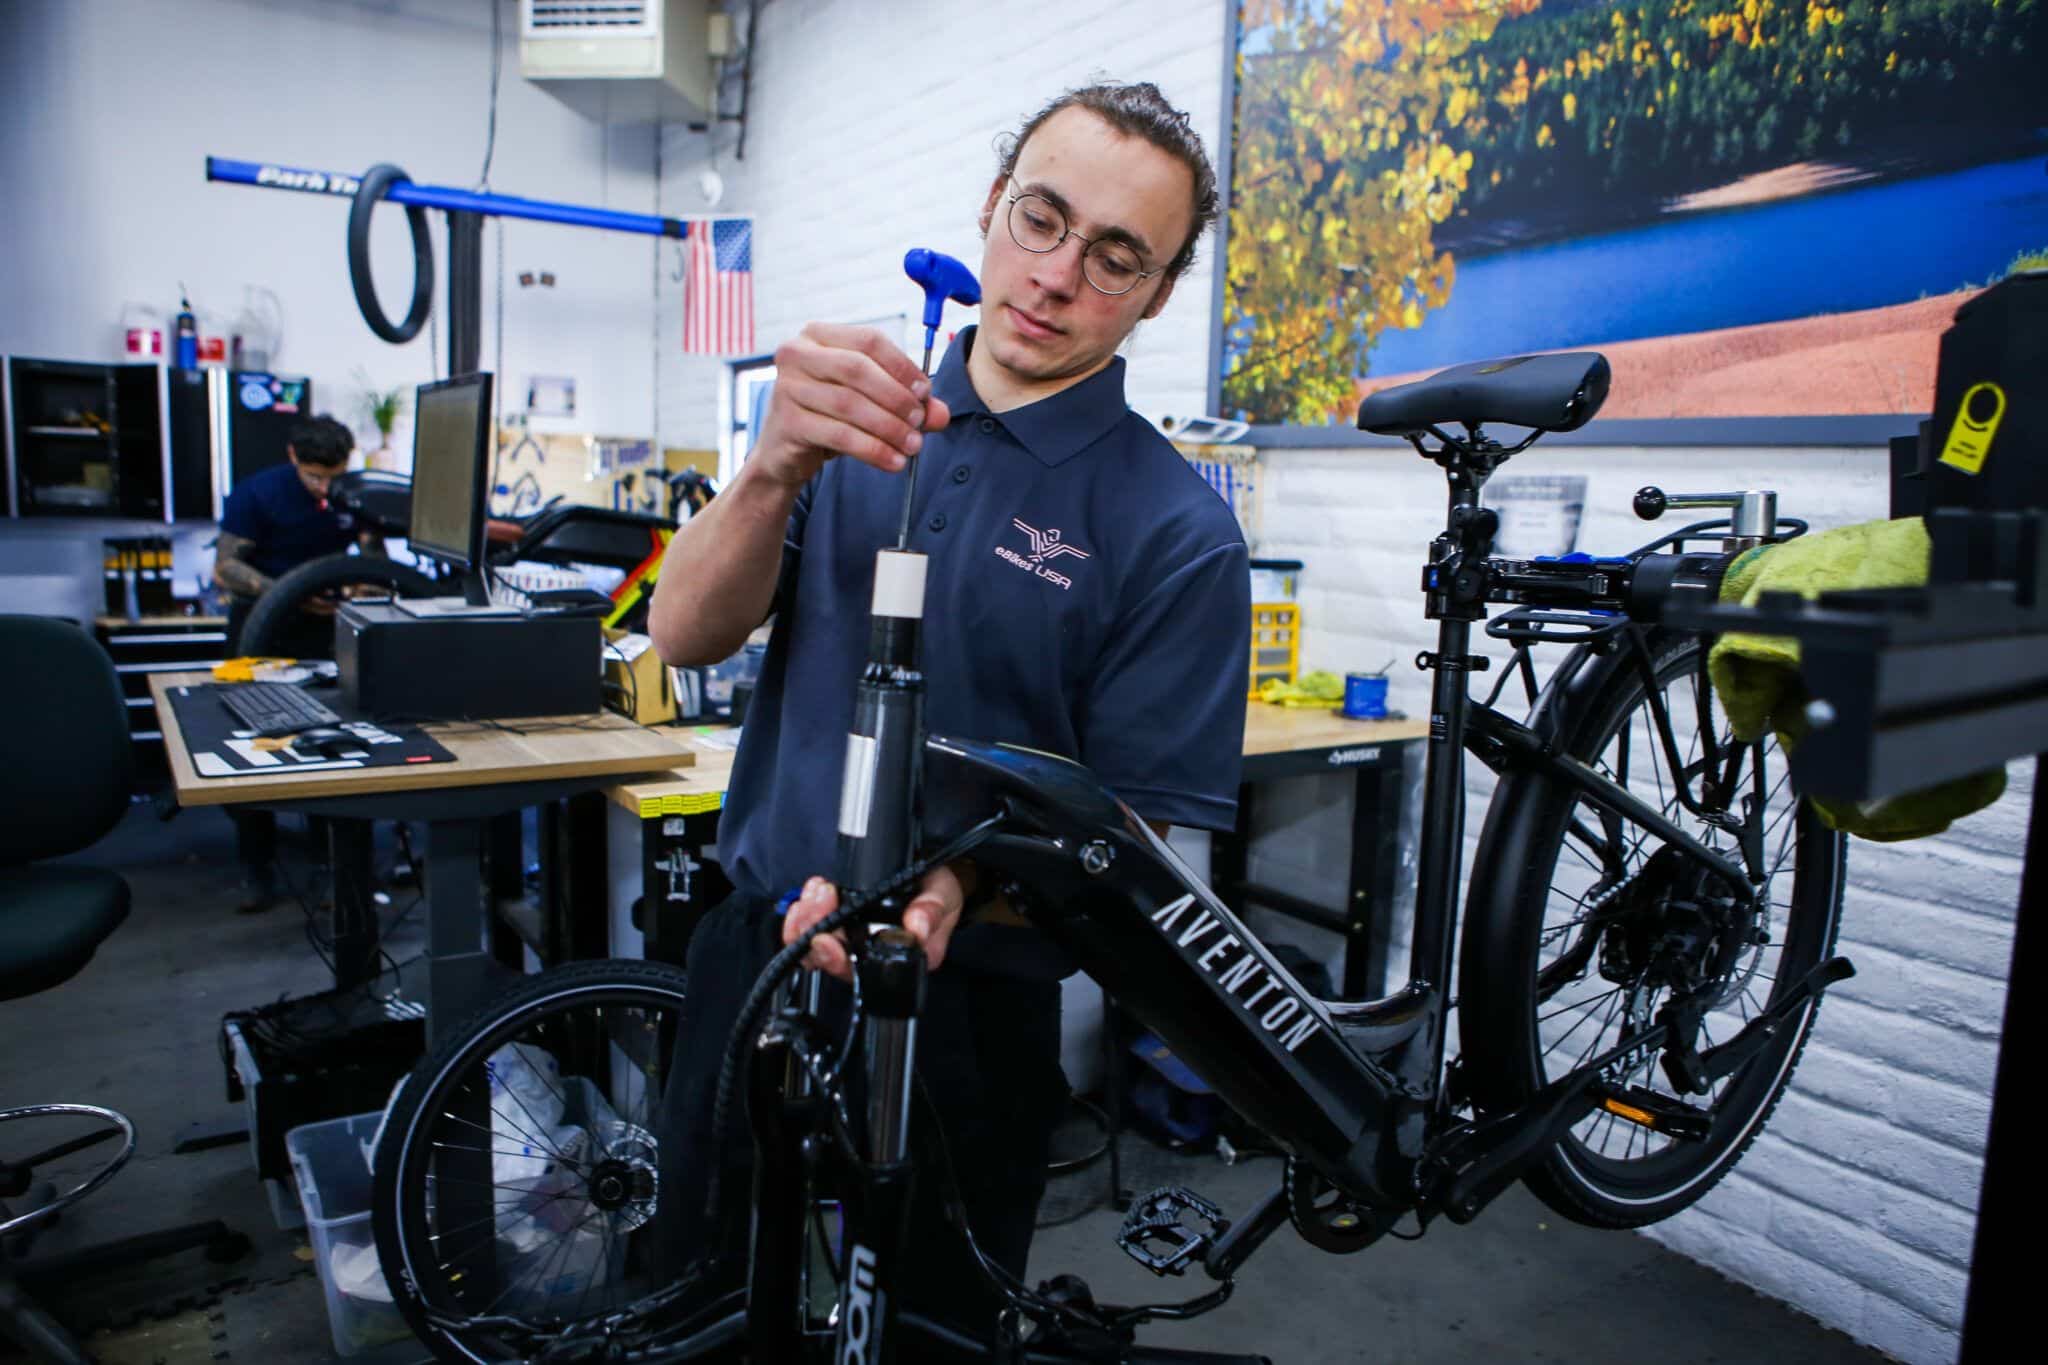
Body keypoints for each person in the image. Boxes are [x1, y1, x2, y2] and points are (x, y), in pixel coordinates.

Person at [647, 81, 1250, 1346]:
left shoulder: (1174, 531)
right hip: (753, 950)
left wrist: (962, 893)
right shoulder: (853, 421)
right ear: (991, 207)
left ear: (1154, 290)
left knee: (929, 1332)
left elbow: (1129, 837)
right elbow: (683, 632)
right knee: (697, 1305)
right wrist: (769, 466)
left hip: (967, 1006)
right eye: (1040, 217)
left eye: (1114, 256)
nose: (1053, 276)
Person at [212, 414, 368, 912]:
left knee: (332, 742)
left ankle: (331, 866)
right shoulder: (257, 493)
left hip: (325, 632)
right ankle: (258, 869)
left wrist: (356, 587)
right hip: (261, 627)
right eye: (315, 477)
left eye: (334, 476)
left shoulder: (353, 496)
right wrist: (289, 592)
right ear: (293, 458)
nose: (325, 487)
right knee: (253, 746)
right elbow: (226, 567)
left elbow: (373, 557)